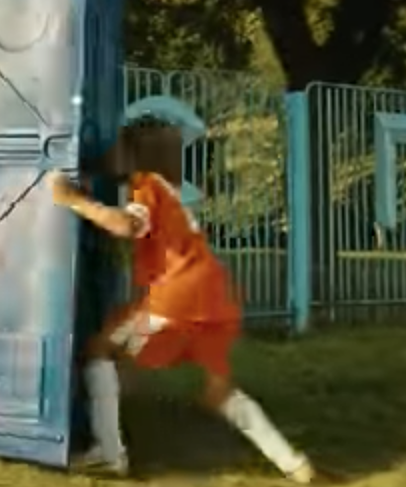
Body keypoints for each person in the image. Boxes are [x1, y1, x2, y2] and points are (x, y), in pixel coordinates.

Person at [47, 117, 317, 484]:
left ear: (134, 154)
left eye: (120, 146)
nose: (112, 151)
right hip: (216, 301)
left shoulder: (146, 186)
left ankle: (109, 456)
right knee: (218, 392)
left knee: (99, 350)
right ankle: (294, 464)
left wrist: (72, 199)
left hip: (177, 297)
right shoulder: (170, 192)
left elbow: (126, 225)